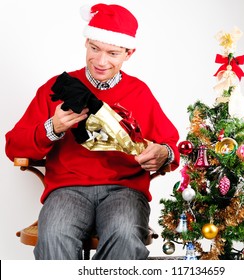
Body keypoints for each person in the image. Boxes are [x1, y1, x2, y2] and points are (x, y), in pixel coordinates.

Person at [5, 3, 180, 260]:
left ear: (128, 53)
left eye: (112, 53)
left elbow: (171, 144)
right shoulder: (57, 88)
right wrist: (52, 128)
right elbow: (13, 147)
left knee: (124, 234)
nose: (100, 61)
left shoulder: (139, 92)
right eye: (95, 48)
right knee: (54, 234)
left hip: (125, 190)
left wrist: (163, 153)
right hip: (68, 189)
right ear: (86, 42)